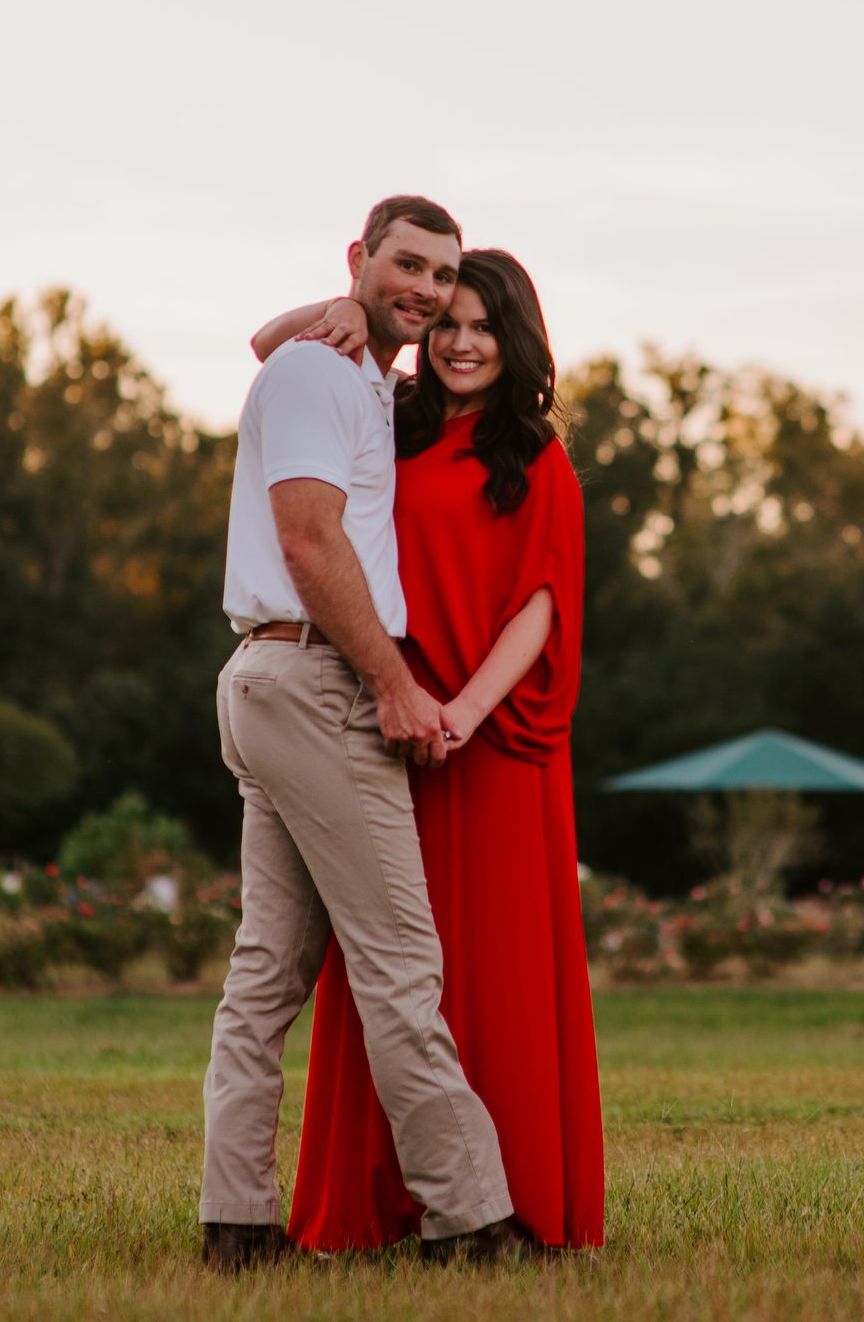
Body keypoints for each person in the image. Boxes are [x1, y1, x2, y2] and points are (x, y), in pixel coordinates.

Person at [248, 248, 605, 1254]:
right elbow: (267, 350)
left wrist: (463, 712)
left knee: (485, 974)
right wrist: (333, 306)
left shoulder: (536, 456)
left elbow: (541, 602)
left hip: (485, 742)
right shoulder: (377, 417)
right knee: (388, 972)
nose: (461, 341)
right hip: (379, 721)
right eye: (447, 320)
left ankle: (507, 1197)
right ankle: (375, 1205)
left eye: (485, 324)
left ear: (516, 338)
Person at [198, 196, 519, 1272]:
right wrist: (389, 680)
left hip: (275, 681)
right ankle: (471, 1220)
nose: (426, 291)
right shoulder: (315, 376)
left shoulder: (354, 376)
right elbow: (307, 537)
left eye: (441, 274)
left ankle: (236, 1225)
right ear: (360, 258)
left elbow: (260, 338)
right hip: (316, 678)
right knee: (398, 963)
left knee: (268, 974)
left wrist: (335, 309)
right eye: (405, 266)